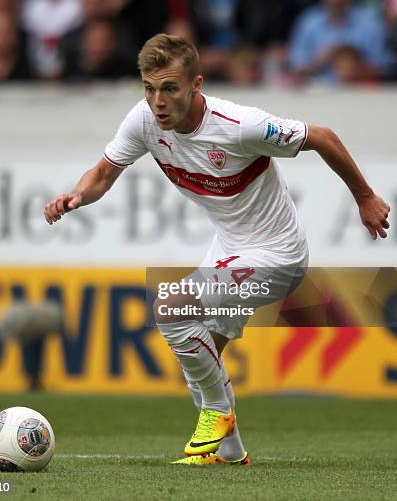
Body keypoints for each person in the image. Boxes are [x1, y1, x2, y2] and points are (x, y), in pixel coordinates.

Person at [44, 34, 390, 465]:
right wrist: (76, 197)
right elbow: (103, 171)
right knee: (204, 352)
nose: (158, 101)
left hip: (277, 256)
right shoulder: (144, 121)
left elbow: (321, 136)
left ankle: (218, 414)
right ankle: (229, 454)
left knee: (172, 309)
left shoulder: (239, 125)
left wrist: (365, 197)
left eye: (169, 88)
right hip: (230, 248)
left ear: (196, 85)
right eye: (149, 89)